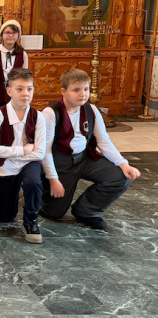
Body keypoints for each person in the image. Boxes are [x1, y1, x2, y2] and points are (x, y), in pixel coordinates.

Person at [40, 69, 140, 230]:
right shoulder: (50, 113)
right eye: (76, 90)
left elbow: (104, 141)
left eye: (86, 89)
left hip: (85, 159)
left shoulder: (91, 110)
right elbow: (45, 151)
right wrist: (53, 179)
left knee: (121, 177)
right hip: (61, 163)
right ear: (63, 91)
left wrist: (123, 164)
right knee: (54, 213)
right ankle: (40, 191)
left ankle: (86, 211)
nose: (83, 94)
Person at [0, 68, 46, 243]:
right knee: (6, 217)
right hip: (6, 165)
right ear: (9, 91)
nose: (25, 93)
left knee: (33, 182)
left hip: (28, 162)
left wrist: (13, 154)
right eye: (19, 89)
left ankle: (31, 221)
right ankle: (1, 195)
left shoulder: (38, 116)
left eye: (29, 89)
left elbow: (39, 152)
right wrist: (22, 150)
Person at [0, 20, 29, 110]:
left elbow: (25, 77)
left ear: (18, 35)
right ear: (2, 35)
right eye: (7, 33)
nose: (11, 35)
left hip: (15, 97)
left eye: (14, 33)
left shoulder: (22, 54)